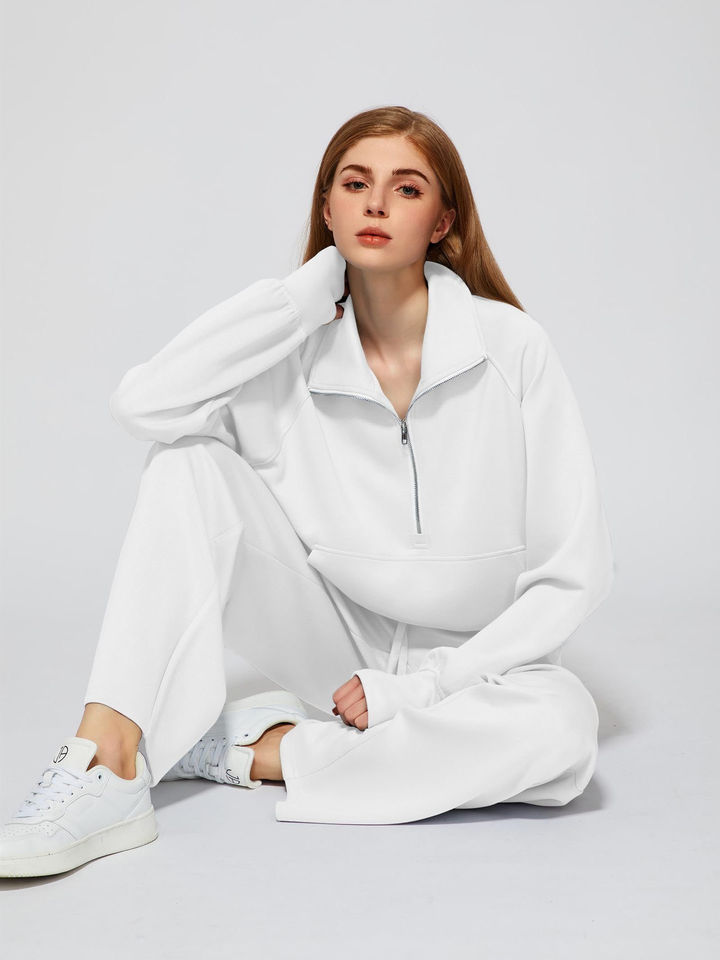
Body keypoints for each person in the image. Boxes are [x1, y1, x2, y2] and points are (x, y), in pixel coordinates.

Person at [0, 105, 615, 877]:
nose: (376, 204)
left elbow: (572, 575)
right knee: (185, 465)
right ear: (327, 208)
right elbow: (144, 407)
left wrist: (425, 689)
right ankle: (110, 760)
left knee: (563, 730)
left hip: (478, 662)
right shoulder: (286, 348)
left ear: (442, 221)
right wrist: (298, 299)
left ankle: (257, 750)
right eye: (354, 184)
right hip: (335, 646)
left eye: (406, 188)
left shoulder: (513, 348)